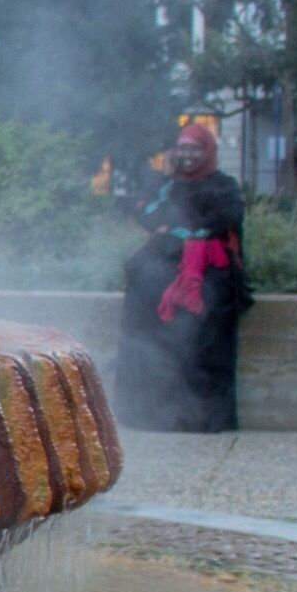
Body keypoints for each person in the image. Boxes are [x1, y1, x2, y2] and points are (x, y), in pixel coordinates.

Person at [117, 122, 252, 432]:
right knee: (144, 292)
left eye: (194, 149)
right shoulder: (165, 186)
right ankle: (147, 412)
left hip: (209, 266)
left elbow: (226, 218)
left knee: (207, 314)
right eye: (182, 148)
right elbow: (145, 212)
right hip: (165, 259)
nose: (187, 155)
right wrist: (172, 232)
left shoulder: (223, 185)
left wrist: (185, 233)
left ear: (207, 152)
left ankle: (202, 416)